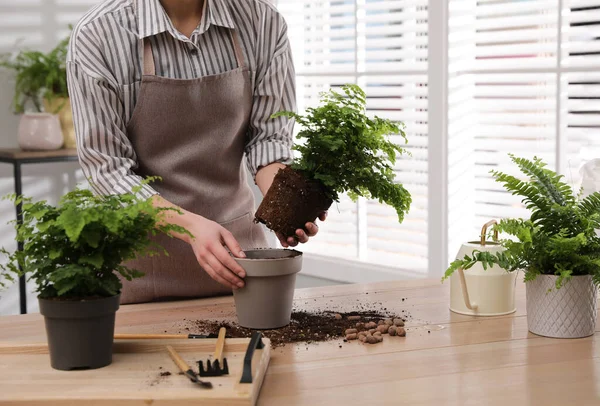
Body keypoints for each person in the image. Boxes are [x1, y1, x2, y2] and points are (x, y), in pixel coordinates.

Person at [67, 0, 326, 304]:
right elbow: (107, 171)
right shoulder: (99, 35)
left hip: (242, 267)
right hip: (143, 276)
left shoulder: (261, 21)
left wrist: (285, 201)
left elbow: (268, 139)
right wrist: (190, 227)